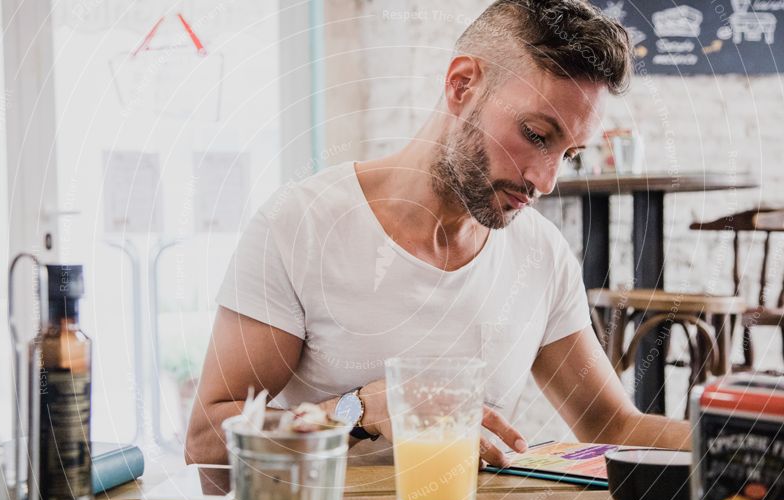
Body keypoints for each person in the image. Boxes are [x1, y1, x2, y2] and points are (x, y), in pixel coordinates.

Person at [185, 0, 691, 467]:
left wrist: (748, 437)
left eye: (569, 154)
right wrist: (357, 411)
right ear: (463, 84)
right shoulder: (299, 224)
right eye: (536, 135)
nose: (546, 180)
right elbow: (206, 439)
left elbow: (613, 425)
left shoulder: (541, 254)